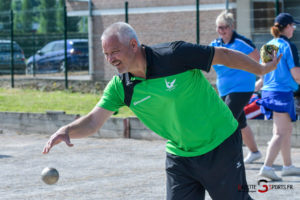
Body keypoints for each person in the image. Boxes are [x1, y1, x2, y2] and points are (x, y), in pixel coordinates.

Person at [42, 22, 280, 200]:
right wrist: (67, 130)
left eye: (114, 52)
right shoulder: (121, 86)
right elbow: (94, 121)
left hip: (220, 144)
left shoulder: (174, 55)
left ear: (133, 45)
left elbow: (223, 55)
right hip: (180, 156)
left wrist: (259, 69)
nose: (110, 59)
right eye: (106, 54)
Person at [210, 11, 262, 164]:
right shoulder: (215, 45)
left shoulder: (241, 42)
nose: (221, 31)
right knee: (240, 122)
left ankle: (227, 157)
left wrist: (261, 79)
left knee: (226, 120)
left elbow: (258, 61)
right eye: (218, 28)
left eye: (224, 27)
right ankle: (255, 152)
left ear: (232, 26)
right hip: (225, 89)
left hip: (242, 87)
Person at [256, 13, 300, 181]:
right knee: (282, 132)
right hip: (281, 93)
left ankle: (288, 166)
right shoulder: (288, 46)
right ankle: (267, 167)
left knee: (284, 131)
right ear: (287, 27)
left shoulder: (268, 46)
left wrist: (251, 91)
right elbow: (296, 75)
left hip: (268, 92)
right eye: (293, 26)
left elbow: (262, 75)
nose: (294, 29)